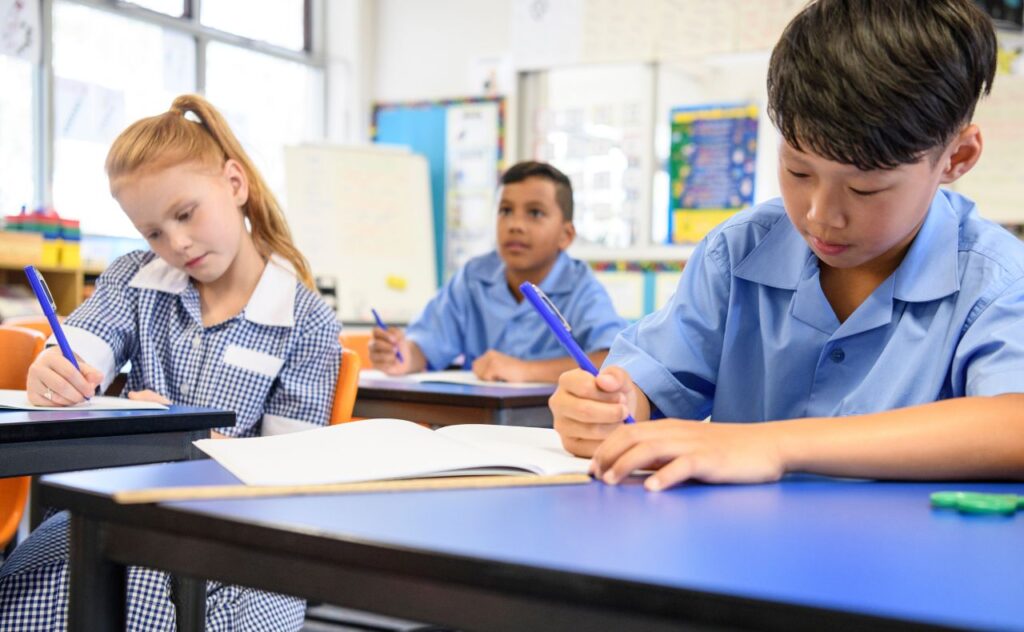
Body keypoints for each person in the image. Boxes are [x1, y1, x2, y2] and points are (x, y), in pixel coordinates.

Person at [550, 0, 1024, 491]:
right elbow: (651, 386)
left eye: (865, 189)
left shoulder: (997, 282)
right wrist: (610, 408)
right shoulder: (739, 254)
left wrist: (774, 445)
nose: (820, 214)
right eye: (798, 171)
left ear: (957, 158)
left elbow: (1014, 425)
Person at [0, 94, 340, 630]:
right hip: (120, 511)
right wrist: (53, 370)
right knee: (26, 589)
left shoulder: (308, 321)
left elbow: (284, 471)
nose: (176, 243)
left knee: (141, 600)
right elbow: (84, 342)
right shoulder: (134, 279)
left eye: (185, 214)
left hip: (245, 540)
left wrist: (174, 435)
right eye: (153, 232)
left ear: (234, 183)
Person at [371, 161, 627, 383]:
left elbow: (612, 361)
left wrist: (524, 371)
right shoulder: (473, 277)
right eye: (505, 211)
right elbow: (425, 345)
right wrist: (402, 355)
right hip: (474, 422)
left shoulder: (582, 288)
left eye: (535, 213)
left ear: (566, 235)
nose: (515, 225)